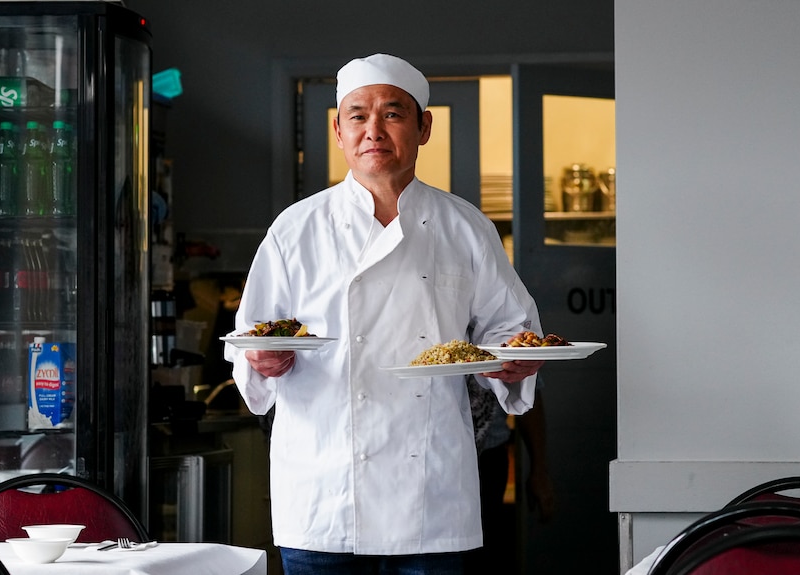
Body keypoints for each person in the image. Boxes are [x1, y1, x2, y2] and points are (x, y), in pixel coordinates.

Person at [224, 53, 544, 575]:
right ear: (338, 129)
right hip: (323, 488)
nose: (373, 129)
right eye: (357, 115)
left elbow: (512, 329)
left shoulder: (465, 226)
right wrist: (260, 360)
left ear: (424, 128)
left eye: (393, 114)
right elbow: (250, 336)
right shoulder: (295, 229)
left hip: (430, 493)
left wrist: (509, 362)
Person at [465, 378, 555, 574]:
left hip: (487, 456)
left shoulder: (506, 346)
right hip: (435, 459)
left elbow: (528, 394)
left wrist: (539, 471)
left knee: (485, 548)